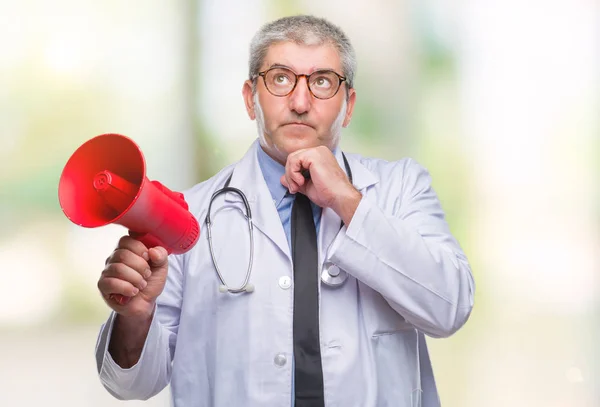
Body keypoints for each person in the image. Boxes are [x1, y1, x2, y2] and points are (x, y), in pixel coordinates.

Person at [95, 15, 475, 407]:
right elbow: (131, 385)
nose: (299, 102)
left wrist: (348, 201)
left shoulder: (401, 188)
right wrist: (136, 317)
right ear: (249, 98)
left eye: (322, 81)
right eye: (280, 78)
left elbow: (449, 308)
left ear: (348, 107)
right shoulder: (189, 215)